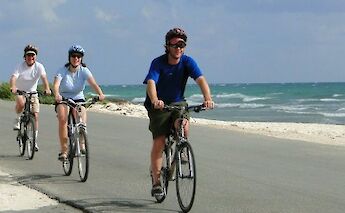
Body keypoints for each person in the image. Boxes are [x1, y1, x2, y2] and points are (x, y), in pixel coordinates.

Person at [143, 27, 214, 196]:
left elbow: (201, 79)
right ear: (167, 46)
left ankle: (181, 148)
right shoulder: (158, 62)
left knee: (183, 124)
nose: (178, 48)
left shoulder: (188, 62)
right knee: (159, 142)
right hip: (158, 105)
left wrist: (208, 98)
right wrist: (155, 100)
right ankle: (157, 181)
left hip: (177, 102)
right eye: (175, 45)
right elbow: (151, 82)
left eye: (182, 45)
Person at [53, 45, 105, 161]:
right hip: (64, 98)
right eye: (73, 56)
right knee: (62, 118)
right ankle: (64, 150)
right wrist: (57, 94)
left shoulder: (84, 70)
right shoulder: (62, 70)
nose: (76, 58)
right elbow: (56, 84)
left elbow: (93, 84)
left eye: (78, 56)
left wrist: (100, 94)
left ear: (81, 58)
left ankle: (82, 142)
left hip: (78, 99)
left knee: (81, 117)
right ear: (69, 57)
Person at [10, 44, 51, 151]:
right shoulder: (20, 66)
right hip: (21, 91)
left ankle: (34, 141)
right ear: (25, 57)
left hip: (33, 93)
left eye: (33, 55)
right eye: (28, 55)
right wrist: (13, 86)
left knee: (36, 115)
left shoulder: (39, 66)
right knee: (21, 103)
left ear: (35, 57)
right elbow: (14, 77)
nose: (30, 57)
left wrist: (47, 88)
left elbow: (44, 78)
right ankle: (18, 118)